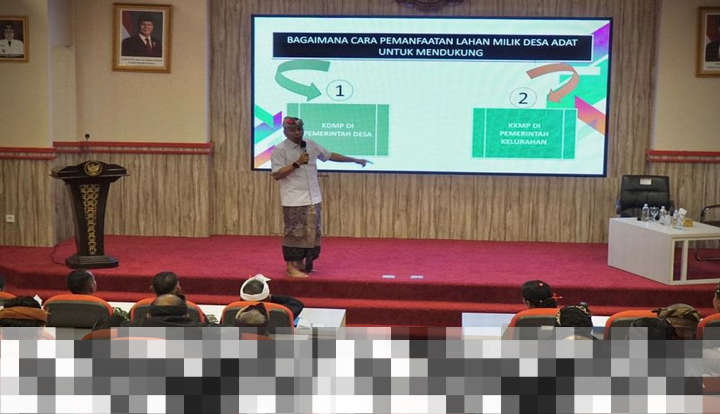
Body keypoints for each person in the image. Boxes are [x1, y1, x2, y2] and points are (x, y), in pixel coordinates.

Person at [271, 116, 369, 278]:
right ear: (285, 131)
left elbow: (329, 155)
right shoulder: (280, 150)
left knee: (311, 233)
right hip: (294, 199)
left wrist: (354, 160)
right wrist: (296, 163)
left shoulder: (310, 144)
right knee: (294, 233)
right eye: (293, 130)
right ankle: (290, 267)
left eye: (300, 129)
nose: (297, 133)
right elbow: (277, 174)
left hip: (314, 198)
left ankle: (300, 262)